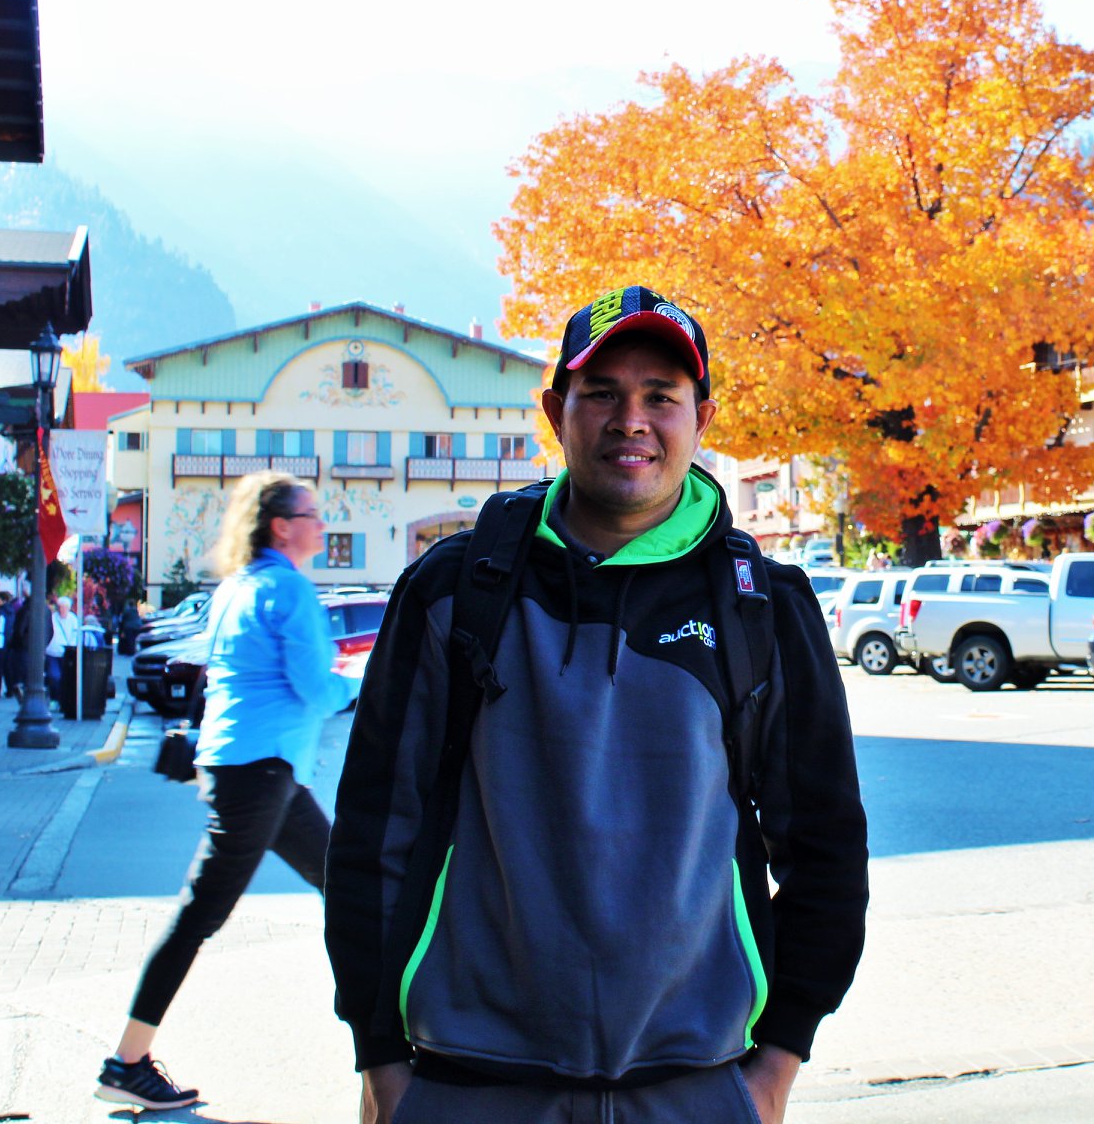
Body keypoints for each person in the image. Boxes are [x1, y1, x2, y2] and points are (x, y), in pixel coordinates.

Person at [327, 286, 869, 1124]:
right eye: (603, 393)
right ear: (557, 412)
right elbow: (373, 832)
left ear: (702, 417)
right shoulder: (454, 592)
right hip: (468, 1085)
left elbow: (827, 847)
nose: (632, 420)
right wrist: (382, 1062)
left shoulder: (763, 607)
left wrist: (777, 1063)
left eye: (661, 396)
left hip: (699, 1086)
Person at [95, 471, 352, 1111]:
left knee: (348, 885)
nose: (321, 523)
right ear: (282, 527)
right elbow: (317, 689)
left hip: (251, 769)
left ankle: (388, 1024)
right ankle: (127, 1061)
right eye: (311, 513)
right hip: (260, 773)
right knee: (200, 915)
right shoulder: (289, 590)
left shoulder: (237, 587)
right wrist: (367, 680)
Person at [45, 593, 80, 699]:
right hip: (52, 652)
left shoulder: (73, 619)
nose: (62, 610)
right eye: (60, 607)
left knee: (66, 677)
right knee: (54, 676)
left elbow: (76, 635)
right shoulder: (52, 618)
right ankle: (55, 697)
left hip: (67, 653)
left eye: (64, 607)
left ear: (68, 608)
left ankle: (62, 698)